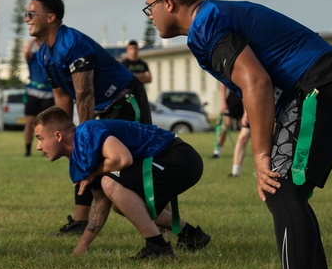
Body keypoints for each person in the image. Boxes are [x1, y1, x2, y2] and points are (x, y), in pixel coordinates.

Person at [145, 0, 332, 269]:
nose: (150, 16)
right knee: (288, 193)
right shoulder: (213, 17)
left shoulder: (207, 22)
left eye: (149, 7)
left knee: (277, 188)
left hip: (322, 89)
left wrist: (262, 155)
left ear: (168, 2)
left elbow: (257, 81)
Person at [26, 0, 157, 239]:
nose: (27, 19)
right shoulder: (44, 53)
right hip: (103, 107)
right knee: (83, 156)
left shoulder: (72, 43)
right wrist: (60, 137)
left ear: (51, 17)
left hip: (125, 99)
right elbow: (62, 98)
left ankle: (174, 225)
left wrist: (82, 141)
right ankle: (79, 221)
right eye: (26, 14)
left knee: (132, 164)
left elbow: (84, 94)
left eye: (31, 13)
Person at [33, 107, 208, 258]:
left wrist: (93, 173)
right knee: (121, 203)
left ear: (58, 136)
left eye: (40, 138)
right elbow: (101, 202)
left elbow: (123, 159)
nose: (38, 147)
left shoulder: (87, 132)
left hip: (179, 158)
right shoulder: (77, 160)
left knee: (111, 183)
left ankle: (158, 246)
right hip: (170, 161)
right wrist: (82, 246)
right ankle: (191, 234)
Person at [22, 37, 55, 157]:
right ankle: (27, 150)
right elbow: (26, 52)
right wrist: (33, 39)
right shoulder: (33, 56)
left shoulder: (50, 58)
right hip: (33, 92)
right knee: (30, 122)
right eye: (39, 43)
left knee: (46, 124)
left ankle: (45, 150)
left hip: (48, 93)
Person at [212, 84, 243, 159]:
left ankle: (242, 150)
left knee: (246, 128)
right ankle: (217, 151)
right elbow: (223, 84)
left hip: (245, 96)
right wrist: (223, 102)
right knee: (225, 125)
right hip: (233, 97)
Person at [228, 110, 252, 178]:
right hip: (254, 109)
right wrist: (246, 112)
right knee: (242, 138)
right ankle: (235, 171)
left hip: (272, 109)